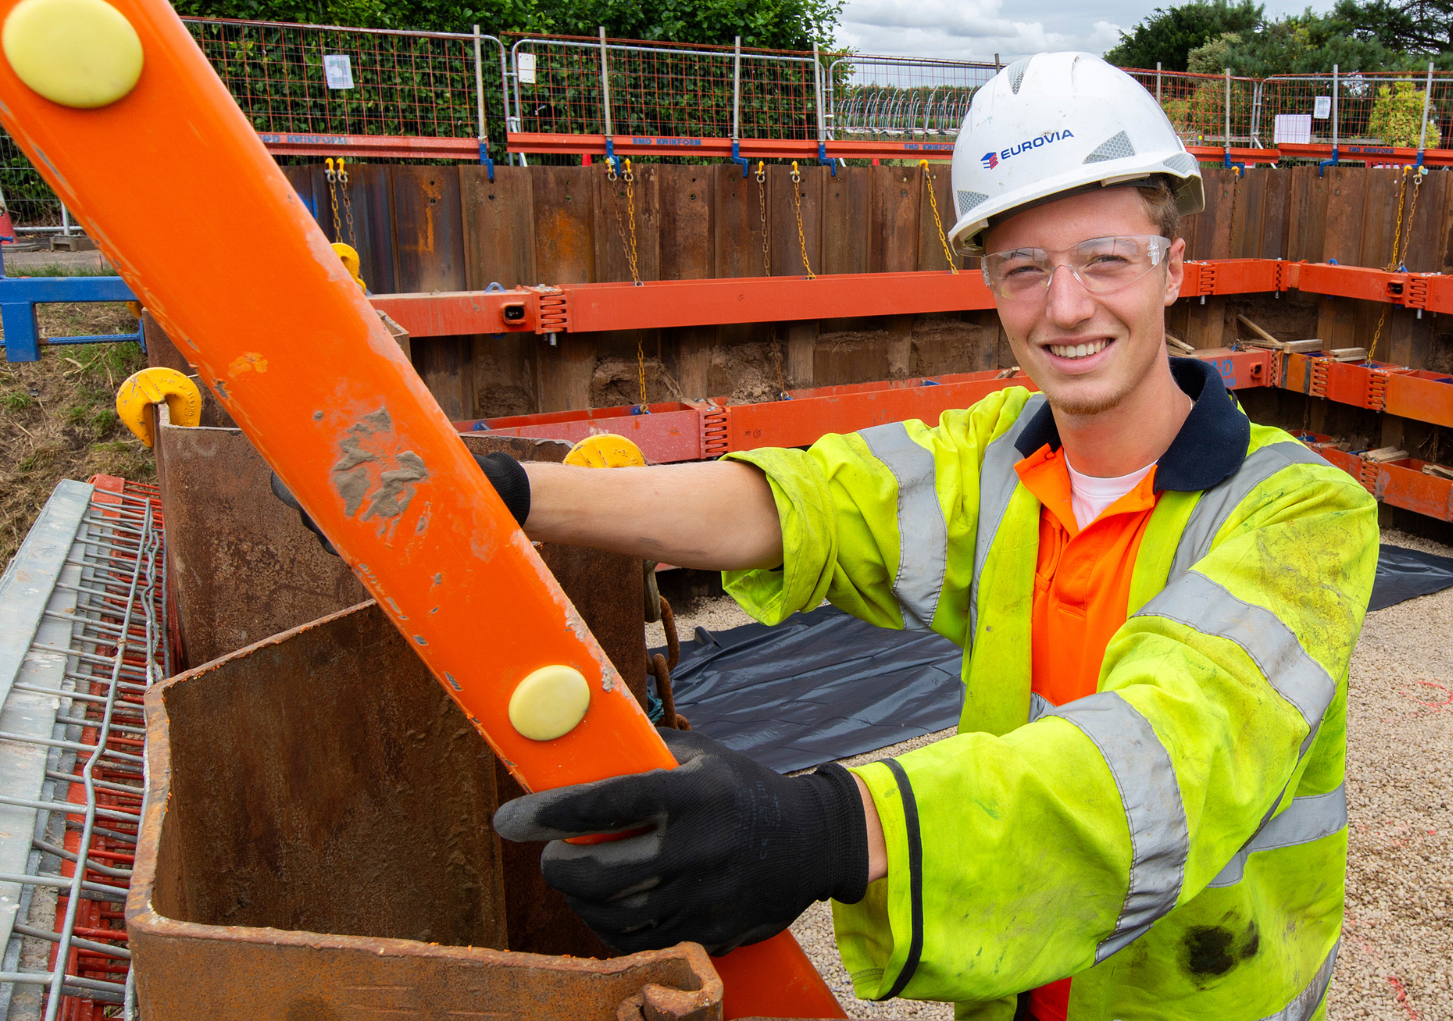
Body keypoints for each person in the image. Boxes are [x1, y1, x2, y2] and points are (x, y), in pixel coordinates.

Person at [429, 53, 1375, 1020]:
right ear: (991, 286)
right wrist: (504, 494)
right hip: (1015, 988)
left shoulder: (1300, 514)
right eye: (1023, 269)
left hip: (1192, 999)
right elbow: (800, 505)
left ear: (1173, 267)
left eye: (1104, 258)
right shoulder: (996, 456)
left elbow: (1174, 749)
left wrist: (835, 828)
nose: (1066, 306)